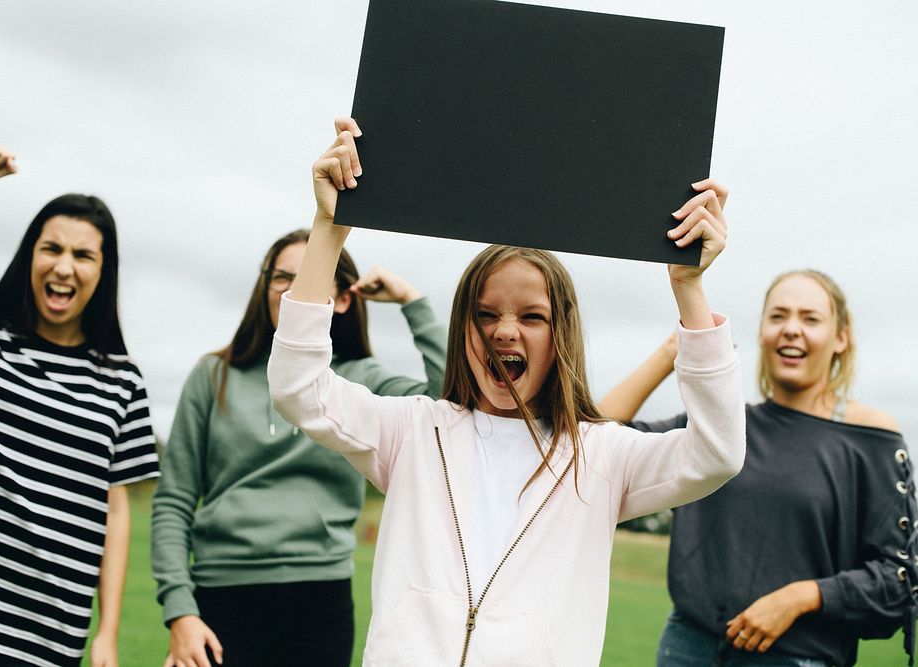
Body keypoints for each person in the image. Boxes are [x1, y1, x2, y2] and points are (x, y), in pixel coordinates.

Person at [265, 118, 745, 666]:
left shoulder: (603, 455)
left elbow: (717, 453)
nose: (504, 330)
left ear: (561, 334)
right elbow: (299, 389)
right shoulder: (412, 431)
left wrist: (689, 287)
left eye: (532, 316)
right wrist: (328, 230)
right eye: (485, 313)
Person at [151, 228, 447, 667]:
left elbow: (445, 404)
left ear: (343, 298)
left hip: (320, 605)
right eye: (280, 277)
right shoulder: (213, 375)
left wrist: (413, 301)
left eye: (311, 275)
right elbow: (174, 500)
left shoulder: (360, 378)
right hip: (219, 601)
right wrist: (180, 611)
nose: (293, 290)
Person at [0, 138, 159, 666]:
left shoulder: (122, 382)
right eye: (51, 249)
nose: (64, 267)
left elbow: (114, 509)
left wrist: (108, 633)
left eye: (83, 254)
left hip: (52, 645)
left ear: (103, 270)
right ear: (30, 256)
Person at [599, 269, 916, 666]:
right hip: (686, 646)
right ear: (762, 331)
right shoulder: (723, 427)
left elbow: (897, 580)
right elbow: (599, 439)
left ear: (841, 337)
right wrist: (678, 348)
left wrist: (801, 597)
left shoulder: (871, 440)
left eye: (810, 318)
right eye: (778, 316)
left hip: (797, 657)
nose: (791, 329)